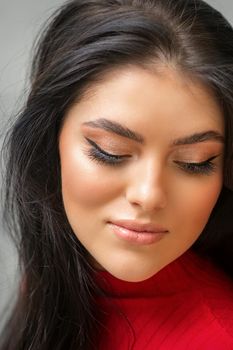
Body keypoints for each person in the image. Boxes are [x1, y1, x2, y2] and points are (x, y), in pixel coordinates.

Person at [1, 0, 233, 349]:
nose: (149, 194)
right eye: (112, 152)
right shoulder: (65, 272)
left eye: (194, 162)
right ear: (50, 140)